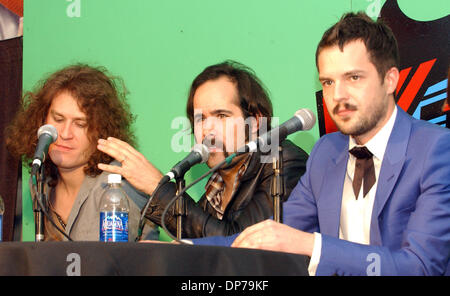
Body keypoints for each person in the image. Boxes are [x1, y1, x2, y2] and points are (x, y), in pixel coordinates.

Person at [193, 13, 450, 276]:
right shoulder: (326, 152)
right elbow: (266, 237)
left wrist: (312, 245)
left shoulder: (437, 150)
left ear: (390, 80)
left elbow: (421, 266)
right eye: (328, 82)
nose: (337, 96)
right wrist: (185, 249)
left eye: (353, 78)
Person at [97, 60, 309, 238]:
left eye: (222, 116)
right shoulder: (216, 182)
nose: (207, 129)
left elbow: (241, 245)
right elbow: (203, 247)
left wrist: (157, 187)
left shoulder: (283, 161)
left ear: (255, 122)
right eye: (200, 119)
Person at [6, 64, 159, 241]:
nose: (64, 134)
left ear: (100, 131)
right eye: (58, 119)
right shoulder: (41, 183)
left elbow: (115, 262)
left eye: (80, 124)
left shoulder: (119, 183)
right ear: (41, 119)